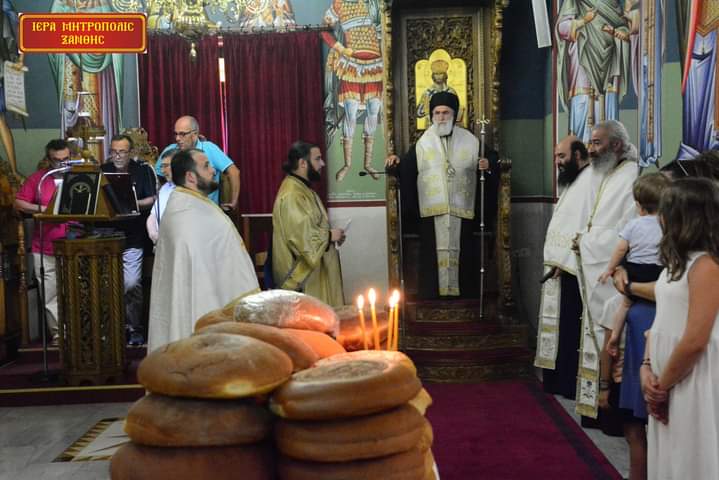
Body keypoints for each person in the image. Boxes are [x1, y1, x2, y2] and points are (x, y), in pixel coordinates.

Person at [641, 178, 719, 479]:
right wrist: (646, 366)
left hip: (694, 378)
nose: (660, 218)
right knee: (670, 459)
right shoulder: (677, 263)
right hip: (667, 378)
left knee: (690, 459)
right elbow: (660, 321)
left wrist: (661, 387)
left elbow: (696, 340)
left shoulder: (707, 266)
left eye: (665, 210)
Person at [385, 91, 496, 299]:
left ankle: (465, 299)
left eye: (446, 112)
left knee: (464, 255)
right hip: (432, 213)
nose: (441, 117)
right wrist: (397, 162)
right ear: (431, 115)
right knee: (432, 257)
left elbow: (493, 160)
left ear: (455, 115)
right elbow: (408, 167)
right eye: (437, 113)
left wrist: (488, 164)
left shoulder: (470, 140)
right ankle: (431, 298)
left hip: (462, 211)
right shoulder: (424, 142)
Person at [147, 148, 259, 353]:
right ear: (191, 177)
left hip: (205, 299)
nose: (213, 171)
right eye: (206, 166)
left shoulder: (187, 206)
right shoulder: (186, 212)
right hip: (203, 306)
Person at [574, 120, 639, 419]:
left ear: (616, 145)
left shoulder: (631, 176)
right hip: (596, 261)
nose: (590, 148)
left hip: (610, 269)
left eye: (597, 143)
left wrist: (586, 241)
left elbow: (625, 232)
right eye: (591, 142)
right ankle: (594, 407)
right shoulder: (606, 172)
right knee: (595, 331)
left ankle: (609, 407)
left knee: (609, 334)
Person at [534, 135, 591, 399]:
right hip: (558, 267)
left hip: (573, 270)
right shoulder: (573, 180)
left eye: (562, 156)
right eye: (556, 156)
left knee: (568, 329)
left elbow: (584, 226)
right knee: (557, 327)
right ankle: (556, 380)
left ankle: (567, 383)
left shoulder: (590, 181)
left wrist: (565, 261)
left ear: (578, 155)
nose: (557, 162)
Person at [598, 173, 670, 357]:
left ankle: (614, 337)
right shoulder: (668, 225)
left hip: (636, 271)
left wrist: (610, 269)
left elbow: (621, 249)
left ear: (638, 206)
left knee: (624, 305)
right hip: (659, 272)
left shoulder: (633, 224)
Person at [272, 141, 345, 307]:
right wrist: (328, 236)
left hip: (316, 271)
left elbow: (311, 227)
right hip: (302, 280)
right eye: (317, 159)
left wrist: (331, 236)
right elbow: (299, 236)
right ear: (302, 163)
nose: (322, 163)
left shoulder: (302, 188)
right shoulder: (292, 194)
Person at [14, 139, 71, 344]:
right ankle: (59, 334)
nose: (62, 164)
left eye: (66, 160)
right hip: (46, 246)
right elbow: (18, 202)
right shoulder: (39, 179)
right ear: (48, 159)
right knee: (50, 293)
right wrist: (43, 209)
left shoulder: (78, 177)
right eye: (57, 160)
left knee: (74, 292)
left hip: (76, 245)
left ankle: (79, 332)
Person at [101, 134, 156, 346]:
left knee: (131, 283)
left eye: (122, 152)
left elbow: (152, 199)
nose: (117, 156)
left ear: (130, 152)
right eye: (114, 151)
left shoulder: (142, 171)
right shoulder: (102, 170)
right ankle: (112, 329)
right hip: (105, 236)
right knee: (106, 285)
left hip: (133, 236)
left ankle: (134, 327)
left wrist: (130, 202)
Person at [321, 0, 383, 181]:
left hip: (375, 64)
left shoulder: (374, 3)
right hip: (352, 64)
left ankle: (368, 164)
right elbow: (324, 30)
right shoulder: (339, 4)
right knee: (351, 113)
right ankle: (347, 164)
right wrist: (341, 49)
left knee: (373, 111)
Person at [556, 0, 633, 143]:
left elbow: (623, 26)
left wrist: (618, 32)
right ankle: (582, 148)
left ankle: (609, 146)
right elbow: (562, 27)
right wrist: (583, 21)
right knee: (583, 104)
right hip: (583, 58)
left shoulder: (613, 3)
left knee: (608, 110)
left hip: (609, 59)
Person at [156, 115, 240, 208]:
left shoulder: (209, 148)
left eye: (182, 134)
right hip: (177, 207)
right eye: (176, 134)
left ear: (195, 134)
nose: (177, 139)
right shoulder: (170, 151)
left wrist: (234, 202)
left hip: (206, 209)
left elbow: (234, 172)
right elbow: (156, 178)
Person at [416, 59, 463, 126]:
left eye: (441, 74)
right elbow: (418, 113)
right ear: (433, 76)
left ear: (445, 75)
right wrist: (426, 108)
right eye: (436, 74)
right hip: (431, 126)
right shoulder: (428, 92)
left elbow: (457, 111)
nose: (438, 76)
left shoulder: (451, 91)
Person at [146, 148, 178, 244]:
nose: (163, 171)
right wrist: (153, 233)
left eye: (166, 166)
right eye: (162, 166)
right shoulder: (165, 188)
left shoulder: (188, 190)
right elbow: (153, 215)